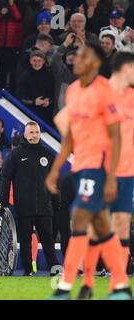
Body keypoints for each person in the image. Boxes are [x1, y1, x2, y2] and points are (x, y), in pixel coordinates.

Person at [46, 42, 132, 300]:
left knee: (85, 217)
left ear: (96, 63)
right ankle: (117, 285)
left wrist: (111, 174)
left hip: (103, 165)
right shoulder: (73, 91)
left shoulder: (106, 91)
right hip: (83, 164)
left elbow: (115, 135)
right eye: (76, 55)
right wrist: (55, 169)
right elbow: (69, 133)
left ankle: (66, 287)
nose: (77, 59)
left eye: (84, 56)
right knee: (99, 225)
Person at [78, 51, 134, 299]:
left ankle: (118, 283)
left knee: (122, 225)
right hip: (100, 169)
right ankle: (88, 281)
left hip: (127, 171)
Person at [0, 122, 60, 276]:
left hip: (45, 206)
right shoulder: (16, 154)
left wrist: (57, 202)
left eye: (36, 132)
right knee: (25, 240)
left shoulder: (48, 154)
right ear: (25, 135)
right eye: (31, 132)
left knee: (48, 240)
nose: (34, 135)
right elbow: (6, 179)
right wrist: (4, 203)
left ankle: (54, 269)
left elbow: (55, 181)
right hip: (24, 206)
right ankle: (28, 271)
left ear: (40, 133)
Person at [16, 50, 55, 127]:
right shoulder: (24, 76)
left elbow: (52, 92)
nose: (36, 63)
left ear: (43, 61)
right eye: (34, 60)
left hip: (45, 113)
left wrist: (48, 100)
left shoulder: (49, 75)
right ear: (30, 61)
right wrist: (34, 102)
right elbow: (20, 96)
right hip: (29, 112)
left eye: (39, 61)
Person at [0, 0, 23, 90]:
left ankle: (13, 93)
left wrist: (12, 5)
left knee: (13, 71)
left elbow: (19, 17)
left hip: (15, 43)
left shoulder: (20, 3)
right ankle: (1, 91)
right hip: (1, 43)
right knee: (1, 71)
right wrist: (1, 13)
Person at [51, 33, 78, 110]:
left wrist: (84, 48)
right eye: (70, 59)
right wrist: (65, 44)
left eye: (74, 59)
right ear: (66, 59)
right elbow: (56, 59)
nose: (72, 60)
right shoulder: (61, 71)